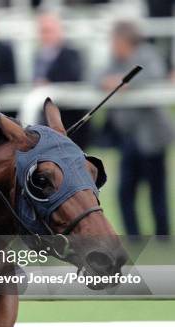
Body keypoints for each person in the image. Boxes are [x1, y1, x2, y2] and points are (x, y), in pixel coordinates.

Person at [98, 20, 173, 236]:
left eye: (114, 40)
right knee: (125, 191)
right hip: (128, 137)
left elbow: (156, 76)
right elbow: (95, 77)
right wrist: (107, 82)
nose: (112, 45)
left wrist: (123, 84)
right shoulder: (114, 59)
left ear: (124, 40)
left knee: (156, 191)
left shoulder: (147, 54)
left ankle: (162, 235)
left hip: (153, 137)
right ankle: (133, 235)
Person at [33, 12, 89, 148]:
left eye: (48, 31)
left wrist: (49, 84)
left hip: (68, 117)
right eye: (42, 31)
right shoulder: (38, 55)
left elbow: (74, 77)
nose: (45, 35)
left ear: (60, 32)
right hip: (45, 116)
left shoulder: (72, 53)